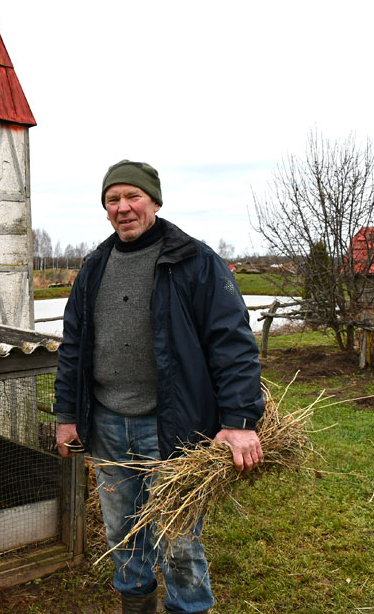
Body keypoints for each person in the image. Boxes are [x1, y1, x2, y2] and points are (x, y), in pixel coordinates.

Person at [54, 160, 265, 614]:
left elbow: (232, 343)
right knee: (122, 532)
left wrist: (241, 420)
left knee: (179, 535)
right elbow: (74, 345)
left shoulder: (194, 261)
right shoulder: (94, 266)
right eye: (113, 200)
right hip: (108, 424)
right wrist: (67, 415)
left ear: (155, 200)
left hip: (172, 425)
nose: (123, 208)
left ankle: (188, 607)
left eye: (133, 197)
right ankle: (136, 605)